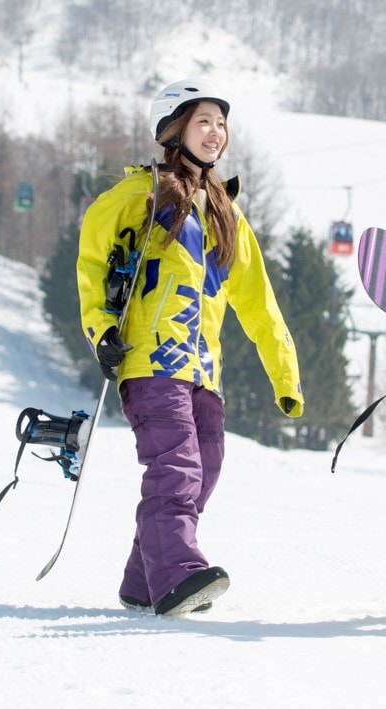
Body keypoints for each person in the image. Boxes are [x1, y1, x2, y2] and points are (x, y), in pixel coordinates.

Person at [75, 79, 303, 617]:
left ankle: (144, 579)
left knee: (208, 466)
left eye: (221, 124)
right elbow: (92, 262)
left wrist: (284, 375)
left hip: (203, 369)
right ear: (173, 129)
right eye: (203, 121)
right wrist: (100, 330)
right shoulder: (139, 195)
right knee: (176, 467)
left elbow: (257, 302)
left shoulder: (226, 213)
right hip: (151, 359)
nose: (215, 132)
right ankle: (178, 571)